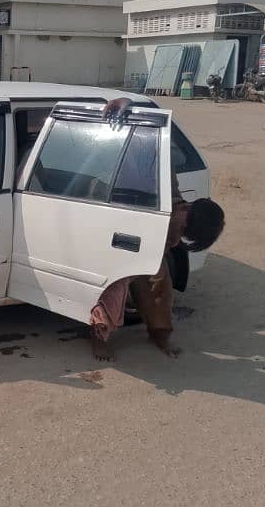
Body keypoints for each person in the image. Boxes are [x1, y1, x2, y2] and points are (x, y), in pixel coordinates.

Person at [90, 97, 225, 362]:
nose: (180, 237)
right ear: (186, 211)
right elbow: (146, 131)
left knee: (161, 291)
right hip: (117, 234)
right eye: (184, 230)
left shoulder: (176, 213)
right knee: (113, 290)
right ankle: (99, 338)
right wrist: (127, 102)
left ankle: (159, 334)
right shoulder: (162, 180)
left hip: (148, 250)